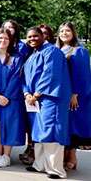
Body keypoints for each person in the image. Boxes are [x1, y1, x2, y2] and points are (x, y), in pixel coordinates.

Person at [23, 27, 71, 179]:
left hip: (51, 99)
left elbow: (50, 75)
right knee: (38, 132)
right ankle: (40, 165)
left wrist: (35, 95)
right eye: (29, 37)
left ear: (43, 37)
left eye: (35, 36)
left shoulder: (52, 52)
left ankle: (56, 169)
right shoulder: (32, 55)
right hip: (34, 100)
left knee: (52, 131)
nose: (32, 39)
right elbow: (24, 77)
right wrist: (26, 93)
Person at [0, 28, 25, 168]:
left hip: (12, 99)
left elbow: (17, 78)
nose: (3, 41)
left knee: (9, 126)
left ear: (10, 41)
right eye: (0, 38)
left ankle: (6, 156)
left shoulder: (17, 57)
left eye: (6, 38)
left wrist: (6, 96)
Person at [56, 22, 91, 171]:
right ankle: (64, 156)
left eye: (67, 31)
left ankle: (72, 157)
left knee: (73, 126)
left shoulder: (79, 51)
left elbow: (82, 75)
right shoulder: (59, 49)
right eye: (62, 31)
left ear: (73, 32)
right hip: (61, 95)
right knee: (65, 126)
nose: (64, 33)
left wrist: (75, 94)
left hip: (73, 96)